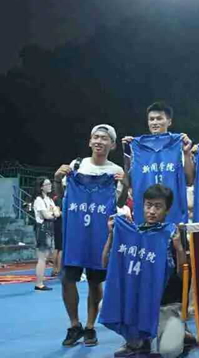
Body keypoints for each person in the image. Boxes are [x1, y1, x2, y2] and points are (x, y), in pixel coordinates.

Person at [54, 124, 128, 347]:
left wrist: (125, 185)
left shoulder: (115, 171)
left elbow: (119, 203)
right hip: (75, 235)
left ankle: (89, 326)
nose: (99, 141)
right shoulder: (76, 166)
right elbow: (62, 197)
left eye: (104, 138)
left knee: (96, 283)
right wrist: (57, 179)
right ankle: (74, 324)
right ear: (89, 141)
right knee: (67, 280)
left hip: (99, 237)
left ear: (112, 145)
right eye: (96, 137)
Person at [101, 184, 187, 357]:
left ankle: (183, 332)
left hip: (166, 306)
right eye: (148, 205)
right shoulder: (133, 232)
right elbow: (105, 264)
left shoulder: (173, 234)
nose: (152, 211)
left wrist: (178, 248)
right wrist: (111, 235)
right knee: (105, 303)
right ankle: (137, 339)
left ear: (167, 210)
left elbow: (182, 275)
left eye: (158, 206)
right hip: (139, 303)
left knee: (169, 351)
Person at [32, 177, 60, 291]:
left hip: (50, 228)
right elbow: (46, 215)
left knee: (46, 256)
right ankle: (39, 283)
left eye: (50, 184)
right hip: (42, 229)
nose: (50, 186)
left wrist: (53, 213)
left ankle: (40, 280)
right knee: (42, 257)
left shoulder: (49, 200)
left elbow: (57, 213)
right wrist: (53, 213)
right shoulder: (39, 200)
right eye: (47, 184)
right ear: (41, 187)